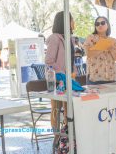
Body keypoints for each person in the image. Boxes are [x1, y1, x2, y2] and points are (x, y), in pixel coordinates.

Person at [45, 11, 75, 150]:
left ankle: (66, 135)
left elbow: (70, 59)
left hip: (69, 80)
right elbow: (49, 60)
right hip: (57, 81)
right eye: (71, 19)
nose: (73, 22)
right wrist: (61, 75)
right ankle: (56, 137)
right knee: (56, 109)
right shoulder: (55, 38)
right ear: (64, 22)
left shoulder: (70, 38)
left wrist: (72, 72)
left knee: (69, 109)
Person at [84, 16, 116, 85]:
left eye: (102, 23)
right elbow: (88, 54)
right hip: (95, 78)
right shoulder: (90, 38)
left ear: (108, 25)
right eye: (97, 24)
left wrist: (111, 49)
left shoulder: (113, 40)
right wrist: (102, 47)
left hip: (111, 77)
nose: (100, 25)